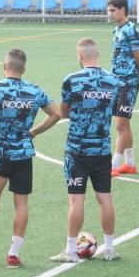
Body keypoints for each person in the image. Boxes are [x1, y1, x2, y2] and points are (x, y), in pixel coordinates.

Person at [0, 49, 63, 268]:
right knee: (21, 205)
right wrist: (35, 131)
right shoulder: (34, 90)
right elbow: (56, 114)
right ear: (24, 69)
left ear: (4, 66)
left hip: (0, 153)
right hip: (24, 154)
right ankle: (13, 255)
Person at [51, 38, 121, 263]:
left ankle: (71, 250)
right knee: (105, 199)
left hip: (77, 149)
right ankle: (110, 249)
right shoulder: (113, 80)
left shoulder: (71, 80)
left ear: (80, 56)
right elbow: (113, 109)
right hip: (102, 148)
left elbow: (64, 112)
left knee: (76, 200)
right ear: (97, 55)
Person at [106, 0, 139, 177]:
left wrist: (132, 75)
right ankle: (130, 164)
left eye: (113, 10)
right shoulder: (116, 30)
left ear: (122, 9)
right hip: (117, 82)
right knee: (125, 124)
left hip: (128, 83)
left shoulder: (131, 30)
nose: (110, 14)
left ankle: (114, 164)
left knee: (120, 125)